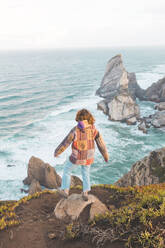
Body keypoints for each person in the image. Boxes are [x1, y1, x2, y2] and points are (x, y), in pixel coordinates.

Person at [54, 109, 109, 201]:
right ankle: (85, 192)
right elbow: (101, 144)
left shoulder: (75, 130)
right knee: (85, 173)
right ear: (89, 118)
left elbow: (65, 143)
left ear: (78, 118)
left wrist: (57, 152)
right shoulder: (94, 130)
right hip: (88, 157)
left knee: (67, 170)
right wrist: (105, 156)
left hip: (77, 157)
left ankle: (66, 191)